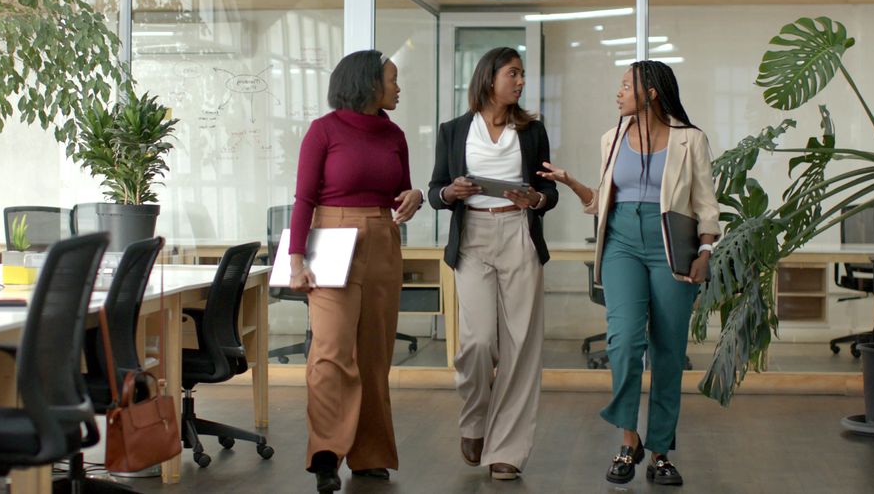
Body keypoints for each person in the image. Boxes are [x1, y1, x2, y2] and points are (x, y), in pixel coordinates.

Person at [538, 59, 720, 486]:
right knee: (622, 342)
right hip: (621, 242)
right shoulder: (612, 137)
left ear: (651, 93)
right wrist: (571, 182)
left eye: (625, 86)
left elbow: (706, 204)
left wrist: (706, 250)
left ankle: (660, 453)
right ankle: (628, 440)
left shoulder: (689, 140)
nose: (617, 93)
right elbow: (603, 199)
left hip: (671, 247)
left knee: (668, 350)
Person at [289, 49, 423, 493]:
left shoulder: (394, 134)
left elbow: (400, 189)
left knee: (374, 354)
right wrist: (295, 258)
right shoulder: (323, 131)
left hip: (383, 237)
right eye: (392, 80)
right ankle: (325, 453)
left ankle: (370, 456)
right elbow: (304, 199)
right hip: (331, 238)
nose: (398, 88)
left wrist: (415, 196)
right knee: (330, 351)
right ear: (368, 83)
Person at [427, 46, 558, 481]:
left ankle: (507, 449)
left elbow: (549, 193)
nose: (520, 82)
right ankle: (474, 421)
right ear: (489, 79)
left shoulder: (532, 130)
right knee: (478, 340)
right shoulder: (453, 131)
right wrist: (451, 193)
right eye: (513, 74)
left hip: (518, 230)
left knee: (521, 345)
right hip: (473, 237)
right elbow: (434, 190)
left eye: (521, 75)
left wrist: (535, 198)